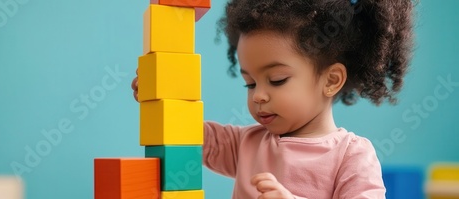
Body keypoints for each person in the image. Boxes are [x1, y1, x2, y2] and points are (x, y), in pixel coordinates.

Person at [131, 0, 414, 198]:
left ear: (330, 80)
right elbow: (189, 135)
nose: (259, 96)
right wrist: (160, 97)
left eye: (277, 80)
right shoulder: (247, 144)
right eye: (250, 84)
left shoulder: (351, 156)